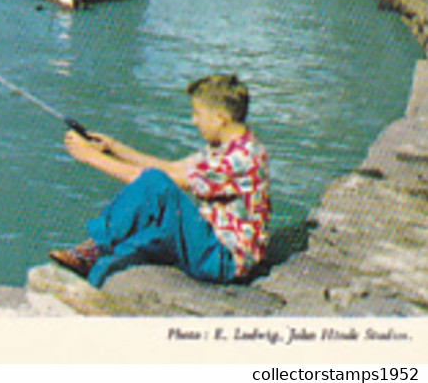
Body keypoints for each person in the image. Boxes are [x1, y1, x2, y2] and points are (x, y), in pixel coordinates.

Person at [49, 73, 271, 289]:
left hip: (223, 260)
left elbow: (159, 182)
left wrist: (90, 157)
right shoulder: (230, 147)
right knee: (128, 247)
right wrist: (113, 148)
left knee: (155, 185)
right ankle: (88, 281)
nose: (194, 121)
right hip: (208, 242)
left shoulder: (241, 159)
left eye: (197, 114)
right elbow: (172, 167)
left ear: (221, 117)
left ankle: (93, 247)